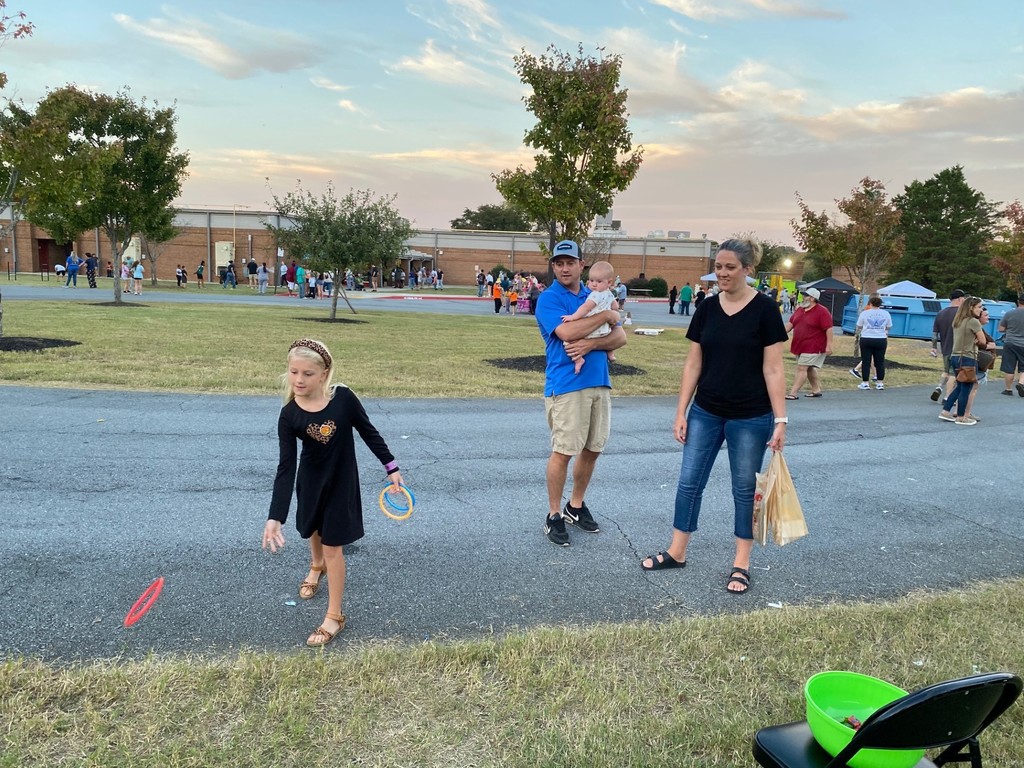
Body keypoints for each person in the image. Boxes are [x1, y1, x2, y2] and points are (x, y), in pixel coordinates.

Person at [639, 239, 788, 595]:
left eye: (730, 267)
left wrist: (781, 420)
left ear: (748, 269)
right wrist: (681, 411)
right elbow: (694, 363)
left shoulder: (766, 310)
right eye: (718, 267)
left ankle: (741, 564)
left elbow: (774, 370)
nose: (722, 273)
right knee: (689, 483)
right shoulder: (705, 308)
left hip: (751, 416)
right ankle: (677, 551)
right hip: (706, 411)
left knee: (743, 490)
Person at [262, 339, 404, 647]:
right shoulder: (289, 414)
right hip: (310, 483)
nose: (299, 380)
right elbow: (285, 467)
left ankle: (334, 615)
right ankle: (316, 568)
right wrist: (275, 516)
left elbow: (368, 431)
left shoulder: (343, 399)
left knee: (333, 547)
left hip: (341, 484)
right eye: (294, 372)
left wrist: (391, 467)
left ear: (325, 373)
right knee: (313, 527)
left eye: (308, 373)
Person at [535, 240, 627, 547]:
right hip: (566, 384)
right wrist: (604, 318)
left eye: (569, 262)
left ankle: (574, 506)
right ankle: (553, 515)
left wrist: (591, 343)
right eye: (558, 263)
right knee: (564, 450)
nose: (564, 268)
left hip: (599, 381)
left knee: (593, 448)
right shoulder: (549, 299)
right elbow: (567, 333)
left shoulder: (595, 292)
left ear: (581, 264)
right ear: (554, 267)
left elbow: (621, 336)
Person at [559, 260, 619, 374]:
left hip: (593, 330)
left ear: (609, 282)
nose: (594, 284)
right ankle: (610, 352)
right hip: (606, 329)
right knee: (608, 339)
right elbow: (615, 306)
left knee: (568, 343)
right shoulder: (609, 293)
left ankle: (578, 360)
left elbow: (586, 307)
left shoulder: (595, 294)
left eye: (599, 281)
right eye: (591, 281)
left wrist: (573, 316)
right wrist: (612, 315)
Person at [939, 296, 988, 425]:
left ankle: (945, 411)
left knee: (959, 386)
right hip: (968, 357)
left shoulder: (958, 320)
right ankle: (961, 416)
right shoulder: (973, 321)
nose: (981, 310)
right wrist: (977, 341)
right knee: (966, 387)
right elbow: (983, 341)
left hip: (955, 356)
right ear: (971, 308)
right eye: (979, 307)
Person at [783, 287, 833, 399]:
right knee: (809, 368)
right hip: (800, 345)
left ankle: (793, 393)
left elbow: (828, 329)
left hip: (814, 346)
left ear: (812, 298)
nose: (803, 297)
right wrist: (778, 335)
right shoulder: (800, 310)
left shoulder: (822, 311)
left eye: (806, 295)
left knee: (802, 367)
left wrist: (829, 345)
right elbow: (791, 324)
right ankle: (816, 389)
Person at [930, 289, 965, 401]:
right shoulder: (962, 314)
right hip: (958, 348)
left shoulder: (941, 313)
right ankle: (948, 397)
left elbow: (935, 334)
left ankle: (939, 387)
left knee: (946, 371)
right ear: (960, 299)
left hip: (945, 348)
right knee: (953, 374)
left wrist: (934, 347)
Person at [854, 295, 893, 390]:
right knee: (880, 361)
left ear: (870, 303)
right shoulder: (886, 313)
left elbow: (859, 326)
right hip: (881, 339)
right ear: (880, 304)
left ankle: (865, 382)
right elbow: (889, 326)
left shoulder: (865, 313)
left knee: (866, 361)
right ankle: (880, 383)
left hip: (867, 338)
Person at [998, 293, 1024, 398]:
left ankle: (1008, 389)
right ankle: (1021, 383)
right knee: (1023, 367)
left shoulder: (1009, 313)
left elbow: (1001, 329)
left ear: (1018, 302)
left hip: (1010, 342)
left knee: (1009, 367)